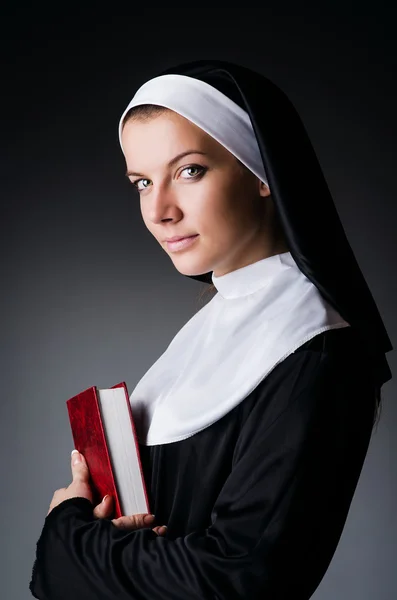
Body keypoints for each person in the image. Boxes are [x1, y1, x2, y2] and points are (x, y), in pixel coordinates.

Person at [29, 59, 393, 600]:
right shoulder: (216, 321)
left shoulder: (317, 349)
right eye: (142, 181)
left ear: (261, 172)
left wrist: (67, 537)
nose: (159, 210)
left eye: (190, 170)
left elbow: (235, 580)